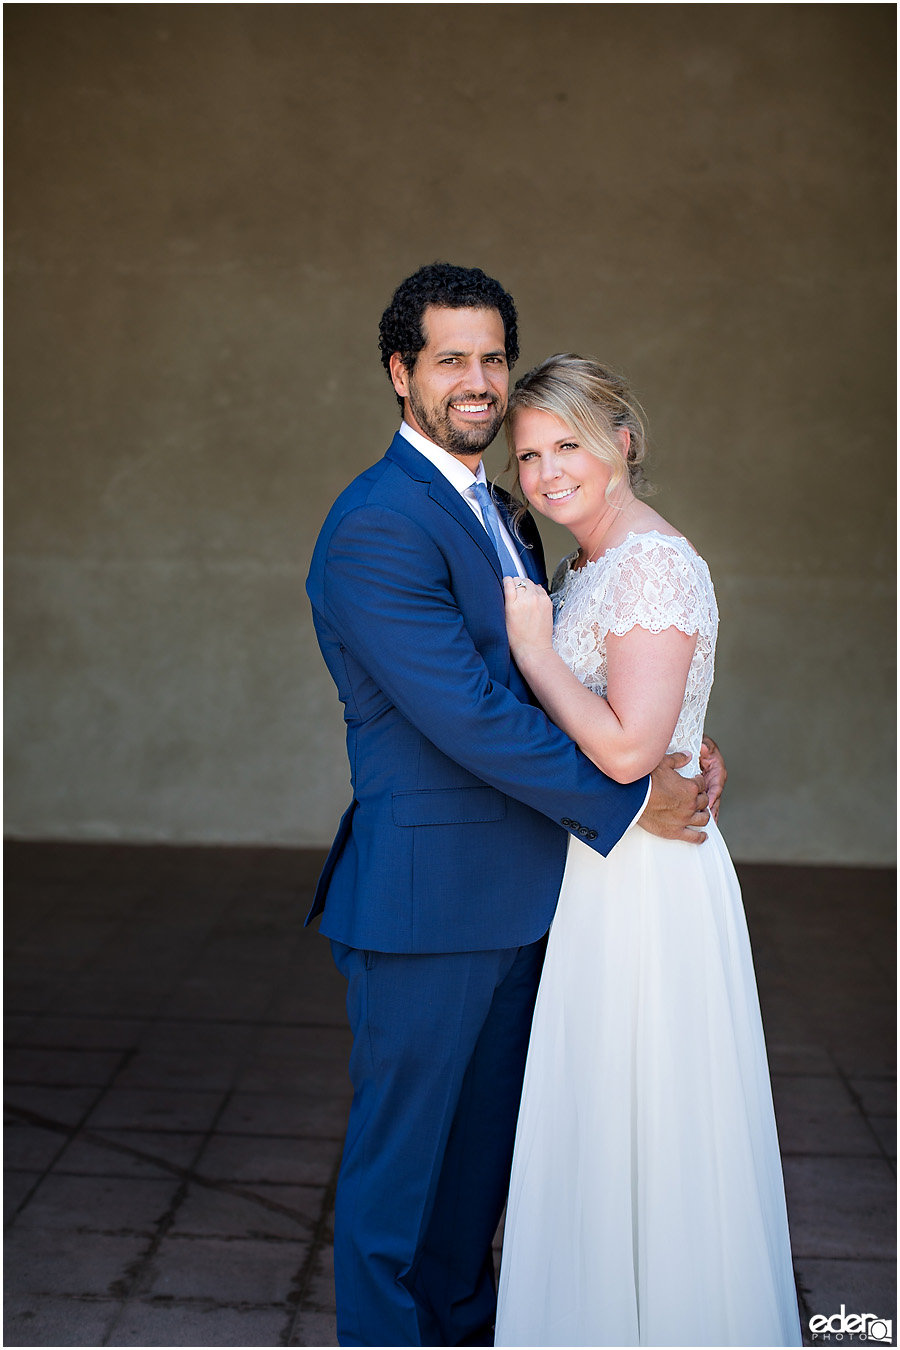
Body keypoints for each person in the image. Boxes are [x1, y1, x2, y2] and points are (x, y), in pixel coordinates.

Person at [305, 264, 724, 1347]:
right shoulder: (378, 526)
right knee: (399, 1194)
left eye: (492, 356)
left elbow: (573, 680)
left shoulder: (501, 508)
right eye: (450, 359)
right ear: (402, 375)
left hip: (533, 900)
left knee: (473, 1195)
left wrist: (670, 742)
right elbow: (469, 716)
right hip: (428, 905)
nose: (478, 380)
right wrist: (633, 802)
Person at [492, 354, 801, 1347]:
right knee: (599, 1113)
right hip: (598, 866)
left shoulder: (653, 562)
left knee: (651, 1119)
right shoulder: (587, 563)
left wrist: (536, 650)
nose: (545, 473)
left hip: (646, 881)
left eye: (568, 445)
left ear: (623, 442)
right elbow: (651, 723)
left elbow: (627, 745)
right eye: (529, 452)